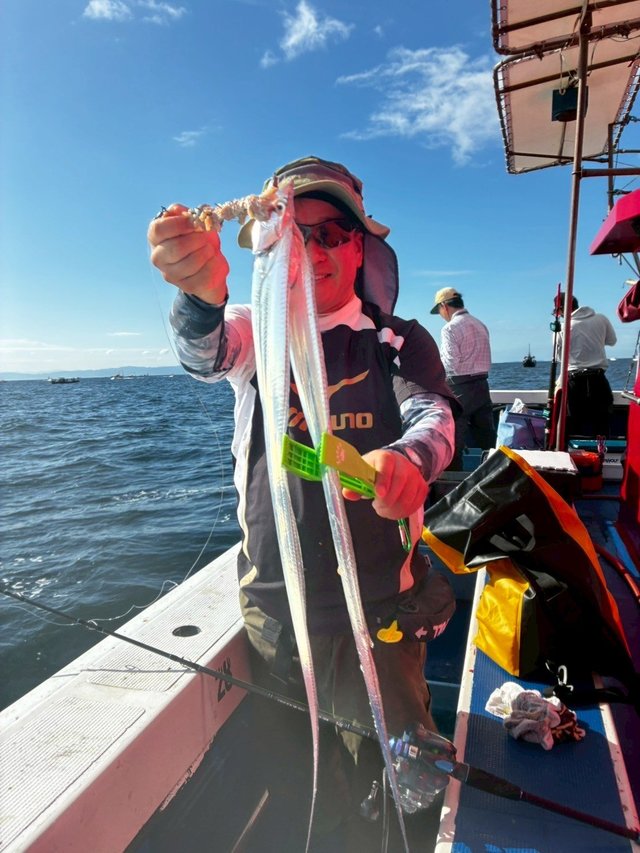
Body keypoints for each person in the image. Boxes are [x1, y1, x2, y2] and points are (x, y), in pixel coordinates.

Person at [148, 156, 459, 851]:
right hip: (278, 610)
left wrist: (409, 462)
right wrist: (197, 294)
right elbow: (204, 351)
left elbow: (434, 414)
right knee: (301, 788)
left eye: (331, 234)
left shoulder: (396, 339)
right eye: (296, 233)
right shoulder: (258, 333)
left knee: (399, 787)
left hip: (382, 610)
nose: (313, 250)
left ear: (360, 247)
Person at [430, 287, 496, 470]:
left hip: (460, 388)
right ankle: (493, 474)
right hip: (482, 386)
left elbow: (450, 363)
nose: (441, 315)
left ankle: (453, 480)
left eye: (439, 310)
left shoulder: (450, 328)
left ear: (444, 306)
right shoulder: (480, 324)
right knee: (487, 439)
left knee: (453, 439)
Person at [555, 293, 617, 437]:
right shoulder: (601, 319)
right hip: (598, 380)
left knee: (573, 427)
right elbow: (612, 341)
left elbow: (559, 357)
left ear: (561, 309)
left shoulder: (562, 328)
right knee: (602, 427)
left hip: (574, 383)